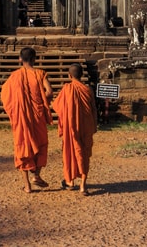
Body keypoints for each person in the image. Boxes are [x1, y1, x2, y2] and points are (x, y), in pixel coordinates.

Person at [0, 46, 53, 193]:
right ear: (34, 59)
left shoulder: (14, 77)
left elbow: (4, 96)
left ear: (19, 59)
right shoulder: (40, 74)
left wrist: (16, 108)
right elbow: (49, 92)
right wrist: (42, 102)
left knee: (22, 147)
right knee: (41, 144)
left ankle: (27, 186)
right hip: (38, 117)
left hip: (21, 118)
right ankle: (36, 175)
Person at [52, 63, 97, 196]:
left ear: (69, 75)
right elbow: (93, 108)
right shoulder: (88, 90)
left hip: (71, 127)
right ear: (82, 75)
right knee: (84, 153)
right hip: (86, 126)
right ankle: (83, 185)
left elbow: (57, 106)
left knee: (71, 151)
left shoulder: (67, 89)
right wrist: (94, 125)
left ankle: (70, 182)